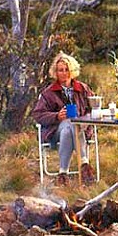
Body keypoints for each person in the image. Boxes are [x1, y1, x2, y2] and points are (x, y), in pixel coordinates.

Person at [32, 51, 95, 186]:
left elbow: (94, 109)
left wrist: (85, 121)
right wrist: (56, 116)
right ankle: (84, 163)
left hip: (80, 129)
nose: (64, 73)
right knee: (69, 122)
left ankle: (63, 173)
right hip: (55, 132)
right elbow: (38, 114)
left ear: (72, 70)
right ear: (56, 72)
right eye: (60, 70)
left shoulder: (83, 88)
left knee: (71, 127)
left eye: (67, 69)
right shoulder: (48, 93)